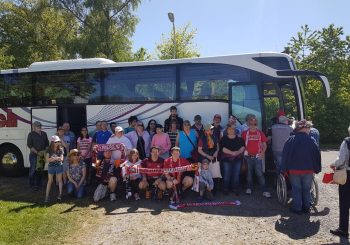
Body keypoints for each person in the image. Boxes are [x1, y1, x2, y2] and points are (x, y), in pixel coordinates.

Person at [281, 119, 321, 214]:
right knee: (307, 189)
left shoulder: (290, 140)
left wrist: (284, 169)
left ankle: (297, 208)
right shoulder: (311, 140)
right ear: (304, 128)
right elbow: (316, 155)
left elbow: (285, 155)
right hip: (308, 169)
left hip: (294, 170)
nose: (310, 130)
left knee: (296, 189)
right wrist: (317, 168)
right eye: (309, 127)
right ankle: (306, 207)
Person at [242, 114, 271, 198]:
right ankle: (249, 188)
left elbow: (264, 145)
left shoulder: (260, 133)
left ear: (256, 124)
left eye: (254, 124)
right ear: (248, 124)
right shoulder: (244, 133)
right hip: (248, 157)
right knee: (249, 173)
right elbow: (242, 145)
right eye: (251, 123)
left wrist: (262, 154)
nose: (253, 125)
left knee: (259, 174)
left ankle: (264, 190)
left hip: (258, 156)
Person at [330, 126, 350, 238]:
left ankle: (343, 229)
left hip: (347, 175)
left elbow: (341, 160)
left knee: (344, 203)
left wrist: (334, 164)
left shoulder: (347, 142)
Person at [220, 124, 245, 195]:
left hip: (237, 159)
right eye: (229, 129)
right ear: (227, 130)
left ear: (235, 130)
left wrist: (237, 152)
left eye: (233, 129)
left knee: (236, 175)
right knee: (226, 175)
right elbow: (222, 148)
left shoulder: (239, 139)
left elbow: (243, 147)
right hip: (226, 160)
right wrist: (232, 153)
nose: (231, 130)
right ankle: (225, 189)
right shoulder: (223, 138)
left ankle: (235, 188)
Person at [197, 123, 219, 194]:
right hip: (205, 158)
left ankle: (213, 190)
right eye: (210, 129)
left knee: (214, 174)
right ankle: (204, 191)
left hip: (213, 157)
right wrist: (207, 156)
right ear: (206, 130)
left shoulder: (214, 136)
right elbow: (199, 150)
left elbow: (218, 146)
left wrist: (216, 151)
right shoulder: (202, 138)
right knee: (205, 175)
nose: (212, 130)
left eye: (212, 129)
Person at [27, 121, 49, 190]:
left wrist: (45, 151)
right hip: (34, 155)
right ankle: (32, 184)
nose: (39, 127)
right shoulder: (31, 134)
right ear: (34, 127)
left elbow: (47, 143)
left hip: (42, 155)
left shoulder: (44, 134)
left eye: (40, 126)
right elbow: (29, 145)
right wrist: (37, 152)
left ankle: (39, 184)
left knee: (40, 170)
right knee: (33, 170)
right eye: (37, 126)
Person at [45, 135, 64, 202]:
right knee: (50, 181)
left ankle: (60, 194)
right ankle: (46, 197)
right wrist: (56, 158)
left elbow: (61, 159)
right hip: (51, 167)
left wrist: (53, 159)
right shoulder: (48, 149)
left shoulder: (61, 149)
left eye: (58, 141)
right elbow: (47, 160)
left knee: (59, 180)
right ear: (52, 142)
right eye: (56, 142)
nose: (58, 143)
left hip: (59, 166)